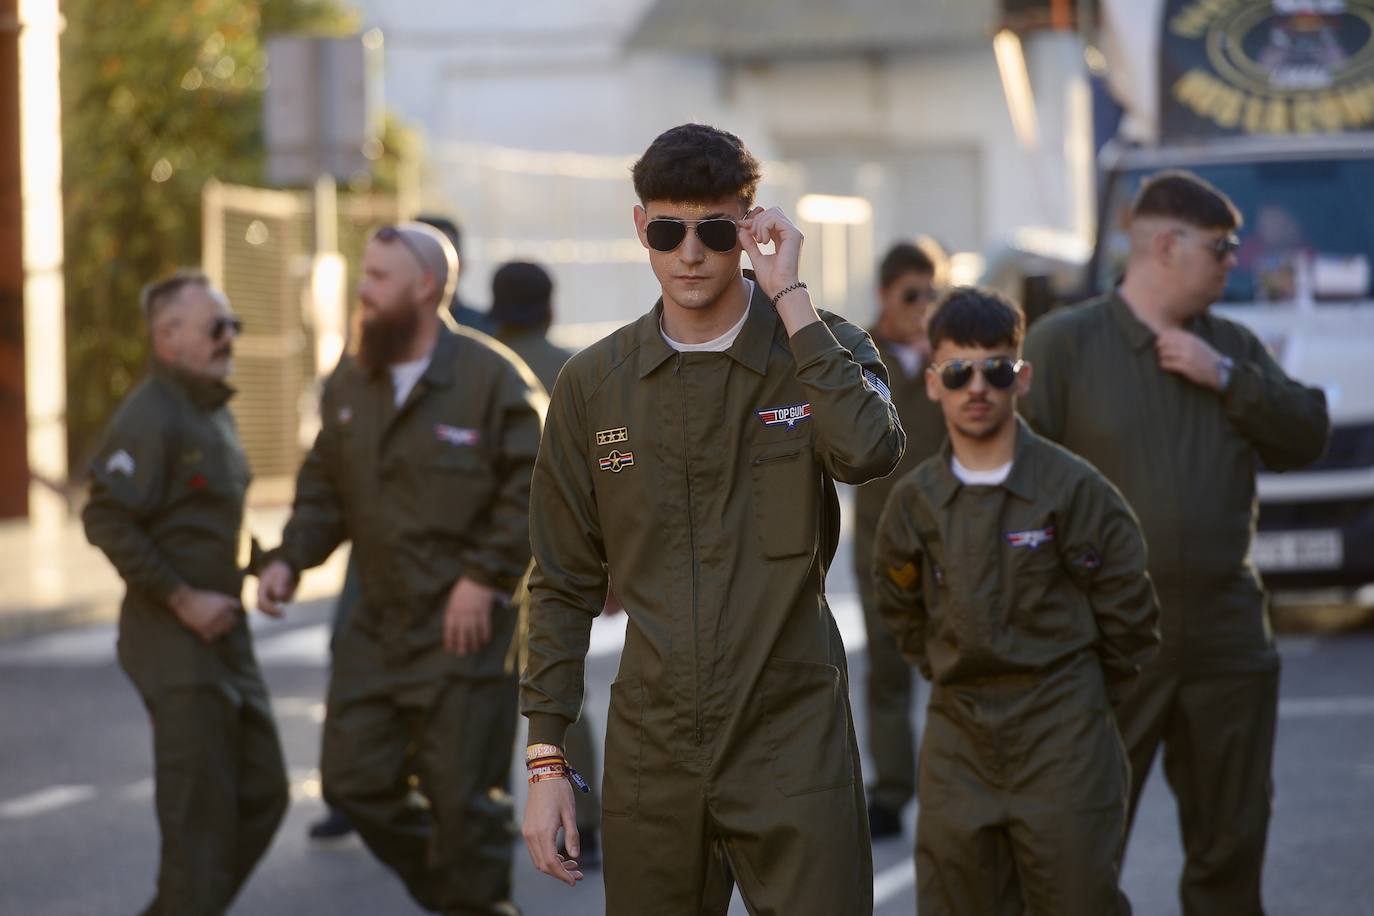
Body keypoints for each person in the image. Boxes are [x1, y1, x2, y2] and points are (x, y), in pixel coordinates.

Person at [519, 122, 905, 914]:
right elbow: (559, 582)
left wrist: (789, 294)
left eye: (715, 229)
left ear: (751, 226)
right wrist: (546, 762)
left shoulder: (820, 347)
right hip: (652, 753)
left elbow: (871, 452)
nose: (689, 252)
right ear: (641, 230)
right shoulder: (595, 385)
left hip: (792, 742)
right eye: (667, 229)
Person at [1022, 170, 1331, 915]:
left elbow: (1307, 433)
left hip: (1227, 632)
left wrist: (1226, 378)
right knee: (1082, 846)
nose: (1235, 262)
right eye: (1222, 249)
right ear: (1166, 244)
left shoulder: (1230, 346)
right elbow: (1014, 482)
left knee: (1232, 843)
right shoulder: (1066, 344)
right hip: (1111, 638)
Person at [256, 223, 544, 915]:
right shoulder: (352, 382)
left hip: (464, 632)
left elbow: (539, 485)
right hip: (376, 626)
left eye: (378, 277)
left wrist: (484, 576)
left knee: (465, 805)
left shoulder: (490, 377)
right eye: (364, 275)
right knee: (354, 783)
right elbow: (325, 485)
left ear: (424, 288)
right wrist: (291, 558)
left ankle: (470, 896)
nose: (363, 290)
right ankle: (461, 899)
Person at [871, 287, 1159, 914]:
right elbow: (901, 612)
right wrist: (950, 665)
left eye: (996, 369)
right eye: (958, 371)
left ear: (1021, 378)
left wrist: (1076, 693)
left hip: (1062, 734)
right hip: (958, 740)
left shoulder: (1075, 490)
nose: (978, 386)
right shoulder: (914, 504)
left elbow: (1130, 619)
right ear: (933, 381)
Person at [82, 270, 288, 915]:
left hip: (227, 636)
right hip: (175, 640)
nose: (230, 338)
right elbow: (106, 517)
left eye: (234, 326)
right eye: (215, 327)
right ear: (168, 337)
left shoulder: (209, 407)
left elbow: (204, 519)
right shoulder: (153, 413)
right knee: (198, 822)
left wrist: (263, 563)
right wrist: (181, 598)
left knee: (264, 792)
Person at [486, 259, 609, 867]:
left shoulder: (482, 368)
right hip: (559, 557)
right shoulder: (576, 369)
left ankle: (483, 806)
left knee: (483, 686)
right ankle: (582, 813)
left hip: (484, 563)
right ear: (551, 306)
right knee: (557, 686)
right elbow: (601, 478)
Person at [851, 239, 949, 838]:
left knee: (955, 667)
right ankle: (890, 790)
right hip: (884, 541)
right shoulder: (855, 354)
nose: (924, 306)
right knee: (888, 669)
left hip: (952, 536)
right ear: (886, 295)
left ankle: (950, 786)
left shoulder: (955, 357)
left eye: (934, 293)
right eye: (912, 295)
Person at [416, 213, 495, 334]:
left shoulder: (486, 331)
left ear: (461, 265)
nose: (430, 270)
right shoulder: (385, 329)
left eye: (440, 258)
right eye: (419, 258)